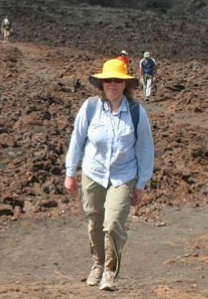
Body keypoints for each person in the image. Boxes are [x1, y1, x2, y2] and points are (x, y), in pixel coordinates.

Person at [64, 58, 155, 291]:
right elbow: (78, 138)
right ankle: (97, 263)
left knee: (113, 223)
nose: (112, 84)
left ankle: (109, 271)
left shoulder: (136, 113)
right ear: (102, 84)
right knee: (94, 222)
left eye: (117, 80)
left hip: (123, 176)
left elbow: (145, 149)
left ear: (125, 85)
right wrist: (70, 172)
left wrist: (141, 183)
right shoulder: (91, 107)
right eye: (108, 80)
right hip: (93, 173)